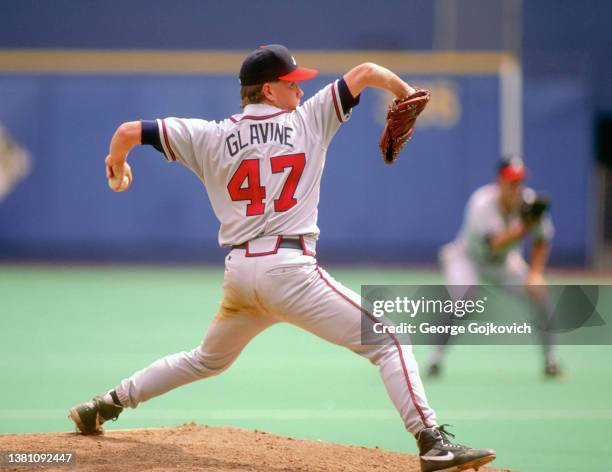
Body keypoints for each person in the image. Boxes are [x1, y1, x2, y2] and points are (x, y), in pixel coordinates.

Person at [68, 44, 495, 472]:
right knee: (387, 342)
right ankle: (432, 443)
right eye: (292, 83)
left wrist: (116, 165)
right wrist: (404, 93)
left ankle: (104, 405)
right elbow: (365, 71)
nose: (300, 90)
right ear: (269, 90)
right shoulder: (308, 119)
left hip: (240, 276)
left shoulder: (210, 134)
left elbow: (127, 131)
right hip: (290, 271)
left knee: (205, 360)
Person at [428, 155, 562, 378]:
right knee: (464, 300)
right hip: (467, 258)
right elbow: (495, 243)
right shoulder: (482, 202)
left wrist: (536, 273)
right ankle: (435, 357)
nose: (516, 188)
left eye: (519, 182)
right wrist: (525, 226)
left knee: (540, 294)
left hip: (503, 262)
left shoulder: (528, 202)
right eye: (511, 182)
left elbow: (542, 239)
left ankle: (551, 361)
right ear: (499, 182)